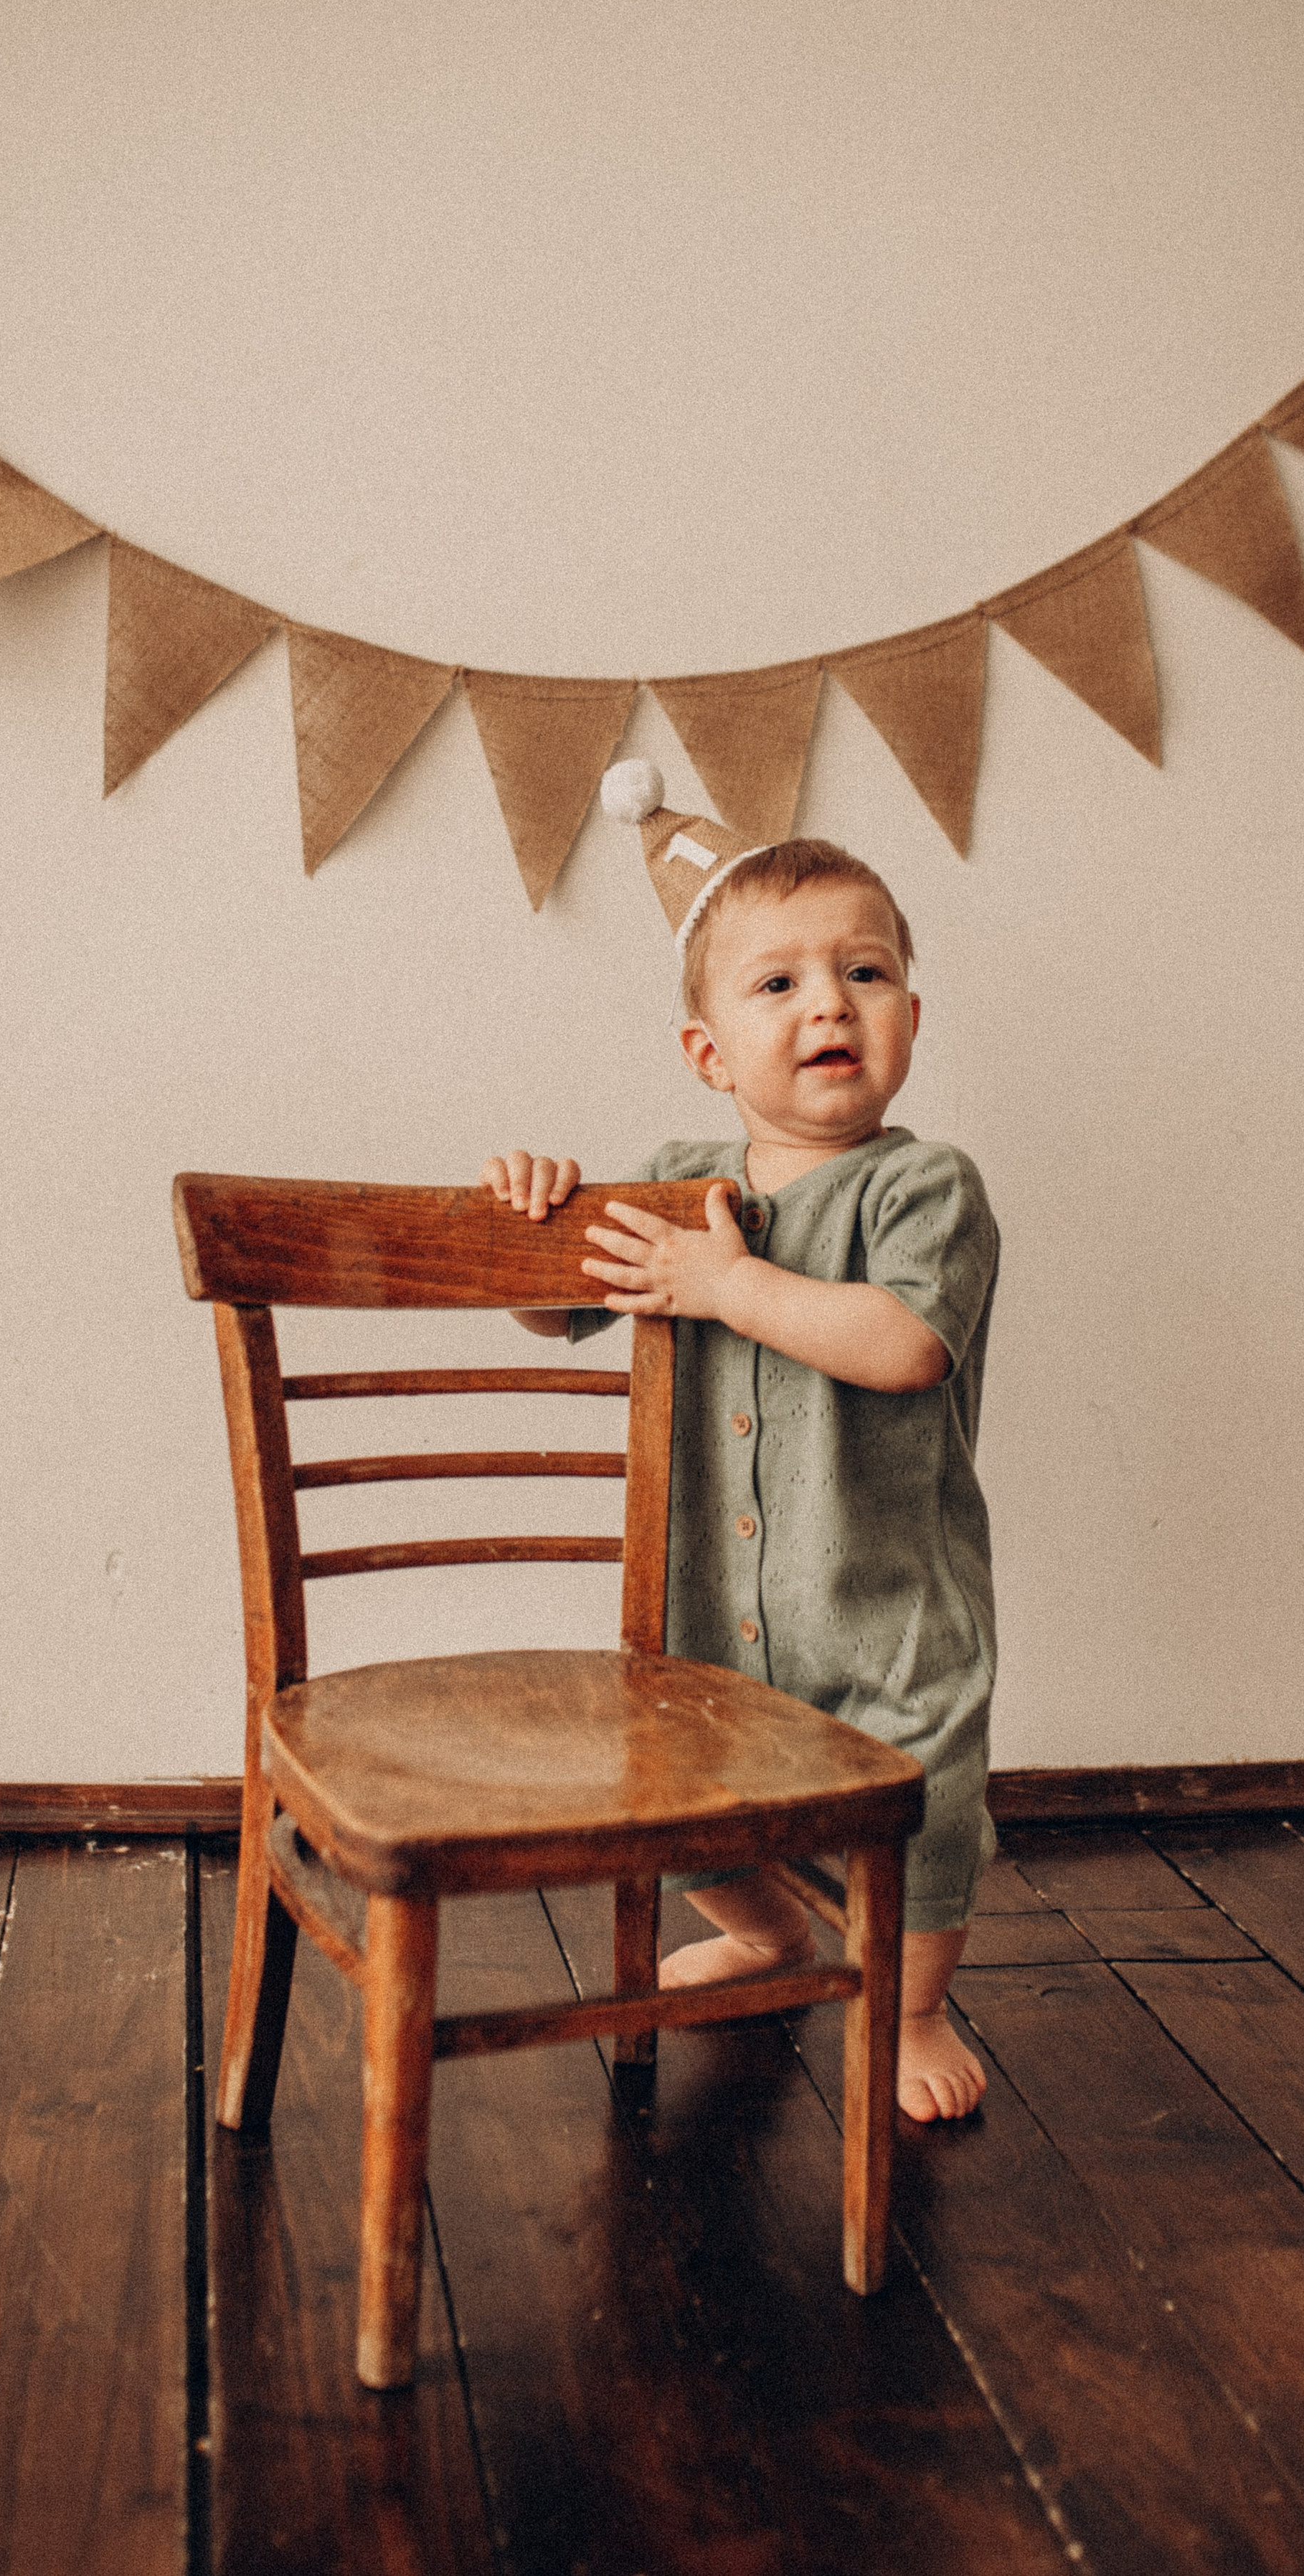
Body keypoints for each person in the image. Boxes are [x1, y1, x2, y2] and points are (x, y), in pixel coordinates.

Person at [481, 767, 998, 2123]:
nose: (829, 1002)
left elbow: (901, 1346)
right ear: (709, 1054)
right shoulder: (678, 1183)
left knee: (924, 1813)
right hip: (712, 1606)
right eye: (779, 985)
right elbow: (557, 1311)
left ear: (912, 1019)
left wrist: (724, 1286)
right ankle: (773, 1933)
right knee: (687, 1796)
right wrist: (537, 1224)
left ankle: (913, 2005)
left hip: (887, 1611)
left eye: (865, 973)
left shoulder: (925, 1186)